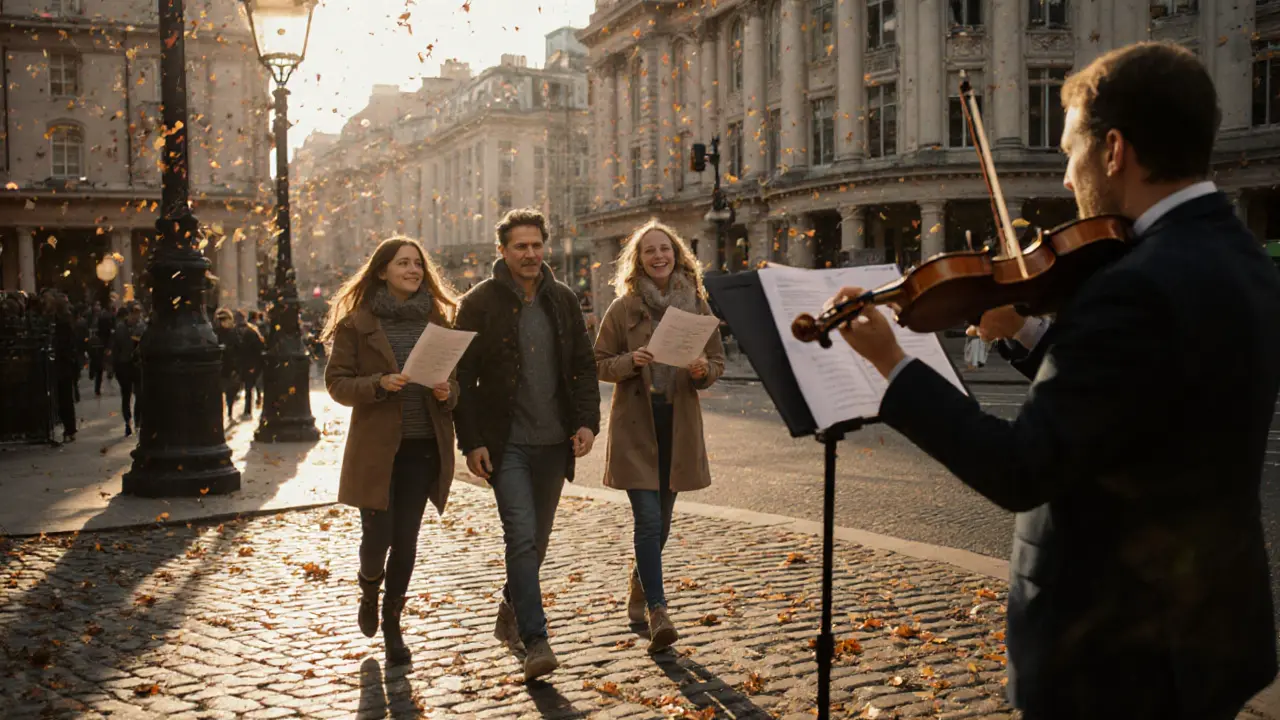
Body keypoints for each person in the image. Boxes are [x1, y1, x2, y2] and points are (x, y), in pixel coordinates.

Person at [832, 42, 1279, 720]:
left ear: (1115, 150)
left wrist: (895, 366)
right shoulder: (1247, 261)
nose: (1068, 180)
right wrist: (1029, 332)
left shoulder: (1131, 286)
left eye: (1071, 151)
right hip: (1216, 631)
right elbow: (1137, 404)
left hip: (1113, 655)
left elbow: (1022, 468)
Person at [454, 208, 601, 682]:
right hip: (506, 444)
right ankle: (536, 640)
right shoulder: (478, 303)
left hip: (553, 443)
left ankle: (509, 608)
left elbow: (582, 366)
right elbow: (462, 378)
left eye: (537, 245)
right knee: (519, 535)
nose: (531, 253)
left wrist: (586, 423)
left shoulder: (562, 299)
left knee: (535, 542)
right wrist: (472, 441)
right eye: (520, 246)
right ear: (503, 251)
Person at [323, 236, 460, 666]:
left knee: (406, 541)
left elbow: (456, 389)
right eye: (403, 263)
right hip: (378, 450)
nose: (414, 270)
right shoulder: (357, 324)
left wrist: (446, 392)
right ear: (382, 271)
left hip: (423, 447)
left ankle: (393, 624)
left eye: (418, 264)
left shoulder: (439, 322)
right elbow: (337, 383)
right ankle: (368, 585)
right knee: (376, 538)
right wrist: (378, 385)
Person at [593, 220, 725, 652]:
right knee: (648, 521)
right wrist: (631, 360)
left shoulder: (697, 305)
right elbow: (598, 364)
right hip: (636, 426)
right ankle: (658, 610)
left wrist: (703, 371)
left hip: (678, 425)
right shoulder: (623, 308)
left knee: (662, 524)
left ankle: (639, 581)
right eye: (648, 250)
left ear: (677, 254)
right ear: (638, 260)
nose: (658, 256)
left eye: (664, 248)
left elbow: (717, 362)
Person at [111, 303, 145, 437]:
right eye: (134, 315)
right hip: (124, 365)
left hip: (137, 365)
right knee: (126, 395)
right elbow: (115, 348)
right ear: (129, 314)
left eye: (138, 315)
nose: (136, 318)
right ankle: (128, 421)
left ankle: (138, 422)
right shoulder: (120, 329)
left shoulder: (142, 328)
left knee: (140, 395)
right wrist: (114, 366)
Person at [235, 310, 265, 419]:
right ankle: (249, 409)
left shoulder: (250, 332)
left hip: (251, 364)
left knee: (249, 388)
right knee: (250, 387)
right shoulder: (251, 331)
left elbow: (255, 349)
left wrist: (252, 365)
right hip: (250, 364)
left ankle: (248, 411)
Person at [213, 308, 241, 424]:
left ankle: (229, 413)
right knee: (218, 395)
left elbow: (239, 350)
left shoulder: (233, 333)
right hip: (219, 368)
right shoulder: (215, 333)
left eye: (225, 319)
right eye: (221, 319)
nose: (223, 322)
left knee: (231, 392)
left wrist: (237, 368)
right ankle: (220, 416)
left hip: (231, 369)